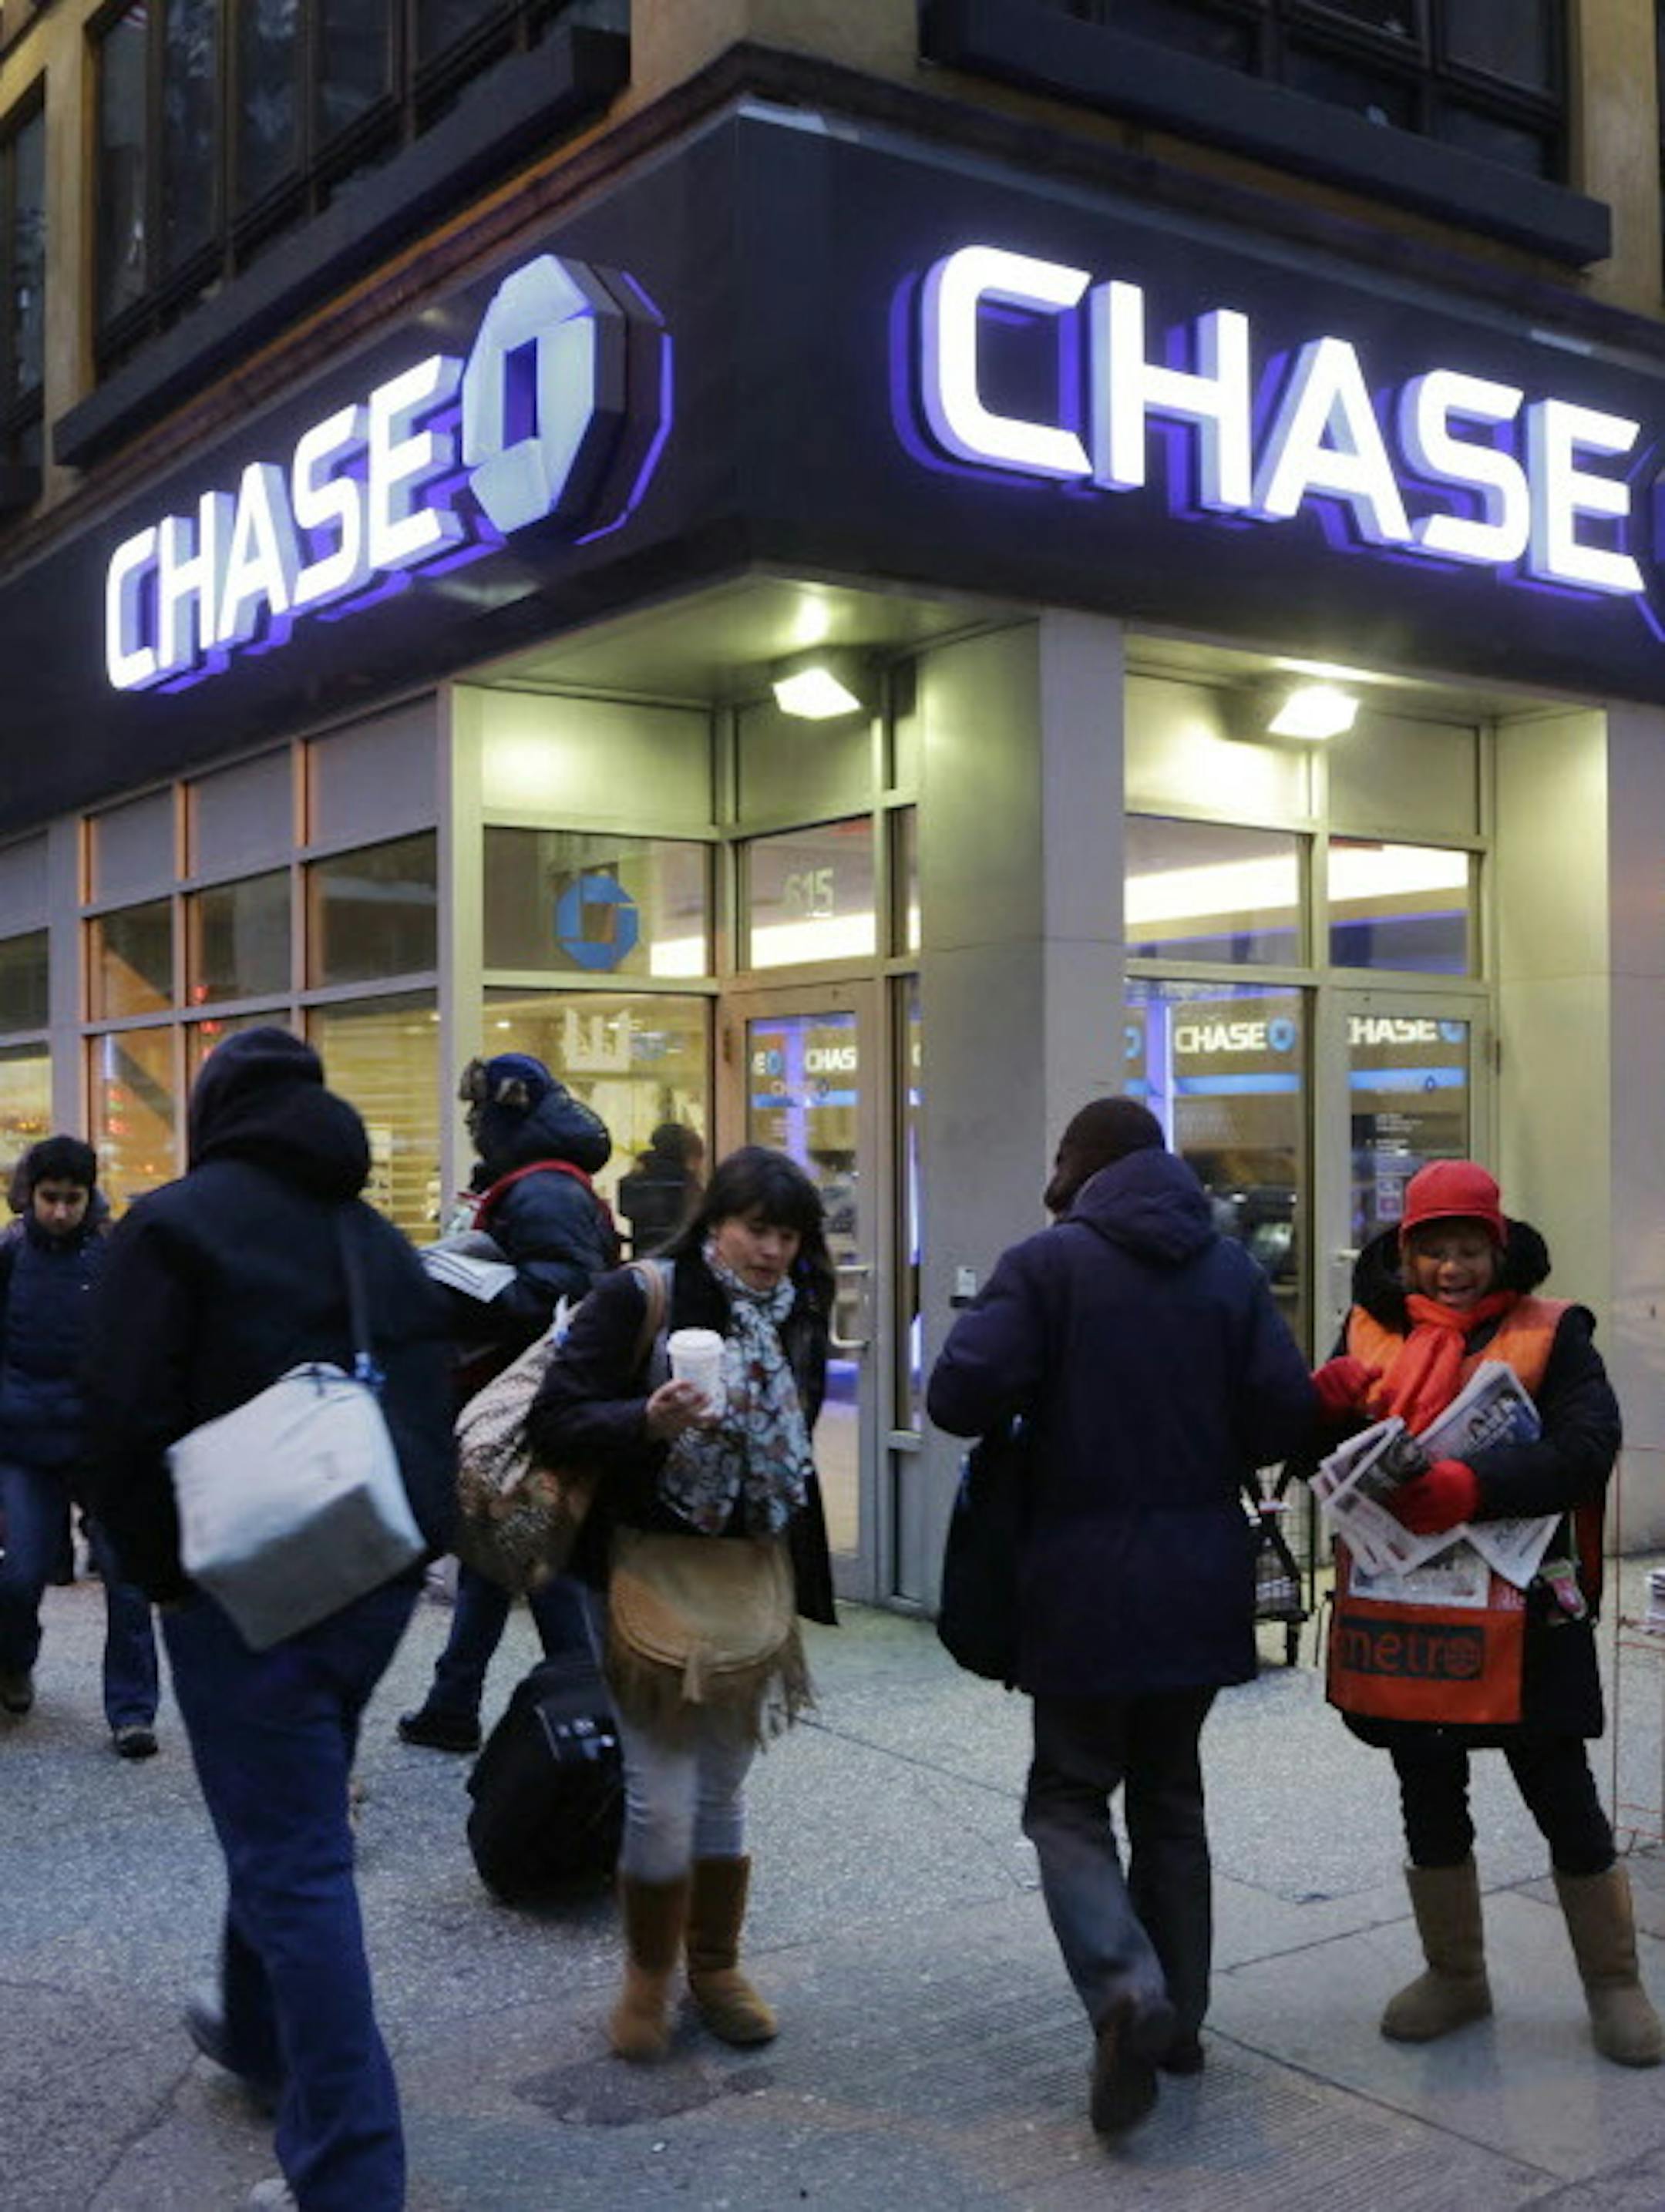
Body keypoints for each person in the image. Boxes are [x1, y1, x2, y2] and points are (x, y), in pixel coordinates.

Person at [81, 1028, 456, 2212]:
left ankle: (351, 2174)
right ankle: (257, 2034)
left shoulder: (174, 1226)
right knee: (286, 1815)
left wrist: (159, 1573)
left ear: (215, 1113)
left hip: (239, 1586)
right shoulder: (373, 1236)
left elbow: (117, 1421)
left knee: (295, 1858)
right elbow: (435, 1404)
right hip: (366, 1574)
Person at [927, 1098, 1316, 2136]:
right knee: (1170, 1796)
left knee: (1068, 1796)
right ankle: (1178, 2024)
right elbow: (1285, 1416)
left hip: (1080, 1586)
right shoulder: (1229, 1269)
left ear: (1080, 1165)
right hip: (1199, 1580)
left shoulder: (1047, 1265)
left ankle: (1124, 1988)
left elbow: (957, 1396)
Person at [1308, 1158, 1662, 2068]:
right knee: (1427, 1789)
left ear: (1498, 1250)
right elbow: (1326, 1456)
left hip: (1525, 1614)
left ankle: (1614, 1981)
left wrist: (1474, 1484)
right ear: (1405, 1254)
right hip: (1411, 1612)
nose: (1452, 1268)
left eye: (1470, 1249)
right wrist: (1318, 1411)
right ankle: (1455, 1972)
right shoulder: (1368, 1329)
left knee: (1562, 1792)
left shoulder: (1553, 1331)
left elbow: (1589, 1446)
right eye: (1434, 1251)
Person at [526, 1145, 836, 2063]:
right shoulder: (643, 1295)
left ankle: (715, 1965)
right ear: (717, 1223)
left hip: (750, 1566)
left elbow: (797, 1425)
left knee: (723, 1784)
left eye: (788, 1235)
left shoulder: (802, 1304)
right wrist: (646, 1420)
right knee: (660, 1793)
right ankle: (647, 1976)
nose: (772, 1251)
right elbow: (554, 1417)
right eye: (756, 1229)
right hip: (644, 1567)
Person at [399, 1051, 617, 1753]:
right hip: (516, 1396)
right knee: (498, 1554)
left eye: (480, 1112)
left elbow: (564, 1291)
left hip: (525, 1401)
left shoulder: (544, 1189)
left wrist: (458, 1290)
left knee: (532, 1557)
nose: (472, 1123)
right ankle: (454, 1703)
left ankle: (585, 1712)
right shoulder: (538, 1183)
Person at [0, 1136, 161, 1755]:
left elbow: (141, 1344)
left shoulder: (115, 1257)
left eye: (72, 1198)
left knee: (127, 1579)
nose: (61, 1211)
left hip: (101, 1445)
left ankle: (133, 1711)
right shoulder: (10, 1255)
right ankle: (13, 1660)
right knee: (20, 1574)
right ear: (30, 1194)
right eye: (50, 1198)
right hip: (24, 1441)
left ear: (89, 1195)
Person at [617, 1121, 705, 1256]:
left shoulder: (635, 1181)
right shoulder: (685, 1184)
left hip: (644, 1255)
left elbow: (626, 1210)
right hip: (678, 1256)